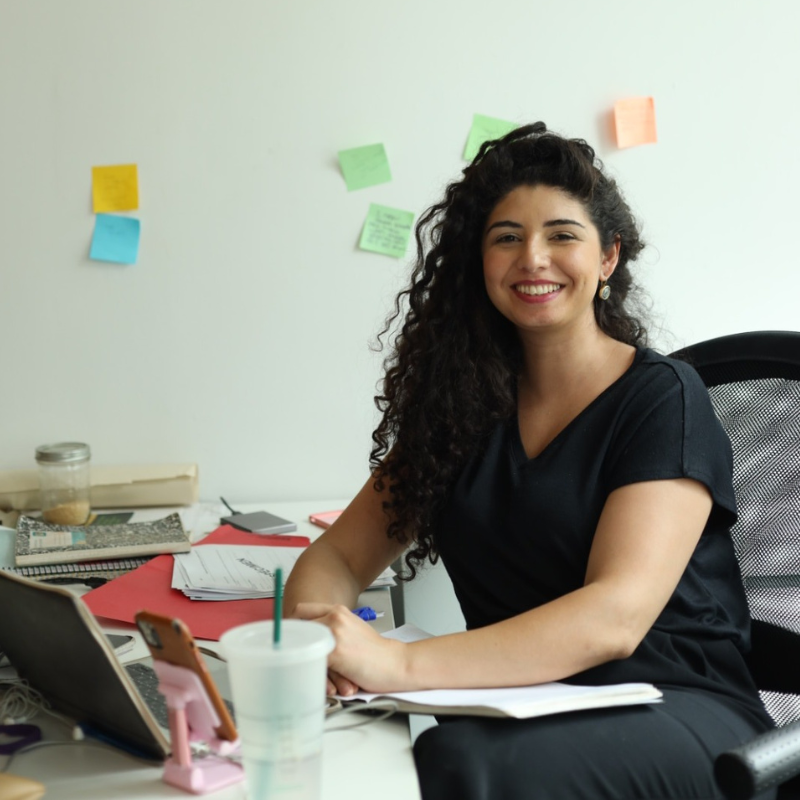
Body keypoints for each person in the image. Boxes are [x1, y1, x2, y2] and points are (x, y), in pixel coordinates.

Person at [284, 122, 775, 799]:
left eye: (562, 235)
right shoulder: (460, 408)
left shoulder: (663, 398)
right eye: (506, 237)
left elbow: (615, 616)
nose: (533, 258)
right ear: (478, 263)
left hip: (679, 706)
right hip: (524, 704)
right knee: (378, 758)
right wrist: (317, 642)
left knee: (461, 764)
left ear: (608, 258)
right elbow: (337, 559)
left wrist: (394, 664)